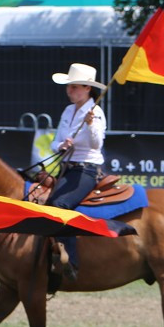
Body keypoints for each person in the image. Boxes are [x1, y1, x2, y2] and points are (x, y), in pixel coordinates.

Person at [47, 63, 107, 278]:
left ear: (87, 88)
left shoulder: (95, 112)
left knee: (60, 204)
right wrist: (61, 146)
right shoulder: (67, 111)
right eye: (69, 87)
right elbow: (55, 142)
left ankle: (70, 260)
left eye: (74, 87)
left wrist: (90, 125)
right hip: (67, 168)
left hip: (86, 170)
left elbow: (96, 143)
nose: (70, 91)